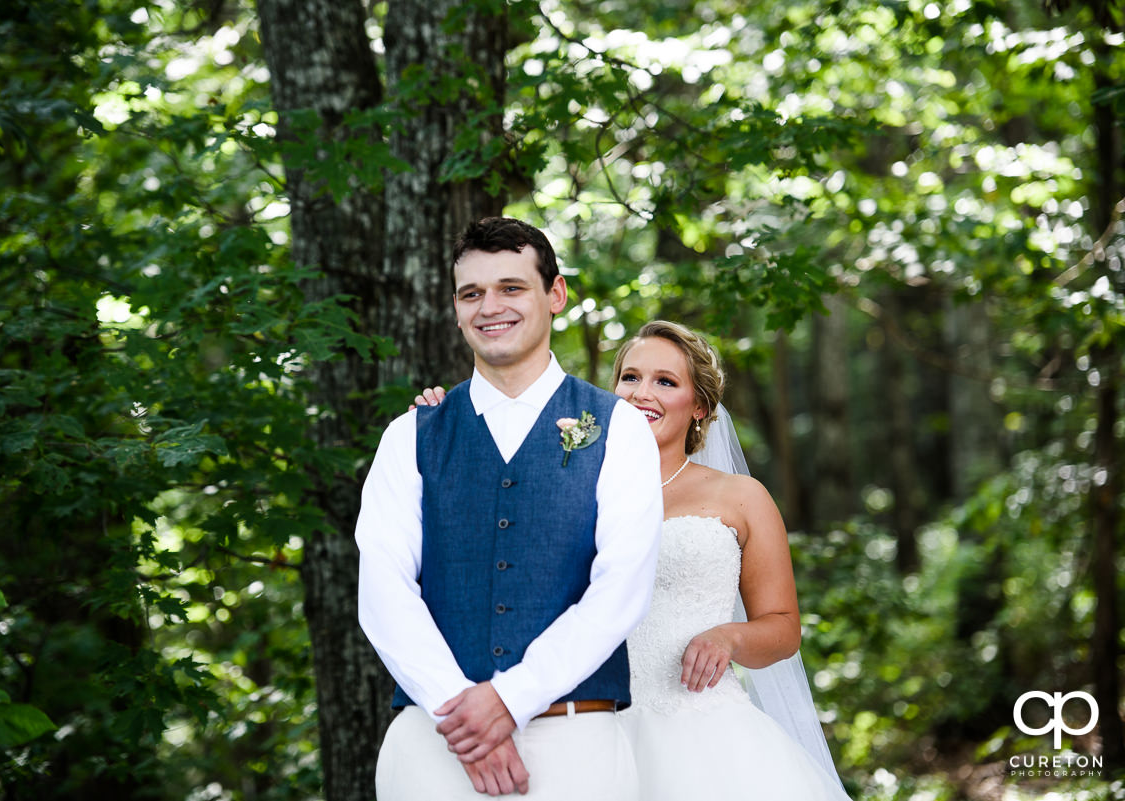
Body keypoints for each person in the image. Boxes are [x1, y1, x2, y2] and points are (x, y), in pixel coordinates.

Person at [416, 319, 850, 800]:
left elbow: (784, 627)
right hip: (586, 726)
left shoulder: (741, 497)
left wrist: (730, 636)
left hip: (705, 735)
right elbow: (489, 532)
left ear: (700, 406)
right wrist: (449, 425)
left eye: (665, 381)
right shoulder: (567, 483)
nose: (643, 393)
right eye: (630, 377)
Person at [356, 217, 663, 800]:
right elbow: (384, 589)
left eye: (511, 288)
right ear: (455, 307)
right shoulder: (409, 435)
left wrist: (509, 698)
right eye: (471, 293)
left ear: (555, 294)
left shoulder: (618, 429)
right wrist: (465, 715)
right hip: (433, 743)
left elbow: (622, 587)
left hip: (578, 745)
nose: (489, 306)